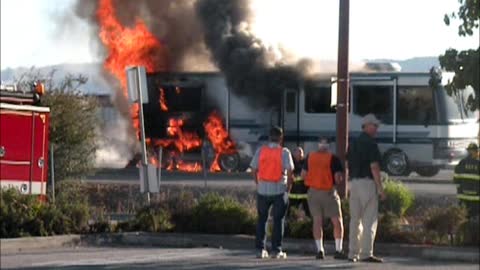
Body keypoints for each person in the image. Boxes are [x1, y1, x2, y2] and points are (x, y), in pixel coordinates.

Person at [346, 113, 386, 263]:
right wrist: (380, 189)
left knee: (355, 220)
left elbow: (348, 162)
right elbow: (374, 167)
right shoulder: (371, 144)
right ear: (367, 125)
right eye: (375, 125)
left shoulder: (353, 143)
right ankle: (366, 253)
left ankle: (352, 252)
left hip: (354, 183)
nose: (377, 128)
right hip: (367, 183)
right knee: (369, 220)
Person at [250, 126, 294, 259]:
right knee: (278, 220)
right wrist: (288, 188)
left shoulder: (261, 151)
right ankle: (276, 250)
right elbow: (291, 171)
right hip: (279, 189)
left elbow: (253, 169)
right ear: (281, 138)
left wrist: (258, 183)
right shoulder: (284, 152)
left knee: (262, 219)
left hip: (263, 190)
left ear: (269, 137)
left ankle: (260, 249)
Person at [301, 137, 347, 260]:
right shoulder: (333, 158)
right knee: (336, 221)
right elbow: (338, 178)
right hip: (328, 192)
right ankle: (338, 249)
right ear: (328, 146)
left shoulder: (310, 157)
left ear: (318, 145)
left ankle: (320, 250)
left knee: (317, 221)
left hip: (313, 192)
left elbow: (303, 175)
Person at [454, 143, 480, 216]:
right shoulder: (478, 164)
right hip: (476, 198)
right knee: (475, 216)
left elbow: (456, 179)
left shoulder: (462, 162)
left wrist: (459, 189)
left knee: (464, 216)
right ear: (476, 152)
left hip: (463, 196)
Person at [287, 146, 310, 217]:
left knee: (308, 212)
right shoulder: (291, 163)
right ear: (294, 154)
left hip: (304, 192)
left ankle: (309, 224)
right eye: (297, 152)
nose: (299, 154)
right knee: (290, 213)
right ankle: (288, 225)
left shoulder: (306, 163)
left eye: (301, 152)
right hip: (293, 192)